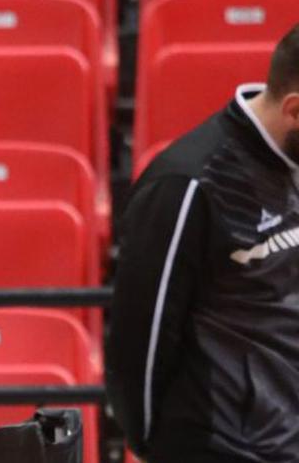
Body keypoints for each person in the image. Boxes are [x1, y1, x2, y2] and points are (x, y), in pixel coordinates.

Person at [107, 25, 299, 462]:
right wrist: (158, 446)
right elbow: (142, 336)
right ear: (295, 110)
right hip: (217, 447)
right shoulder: (188, 183)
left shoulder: (292, 159)